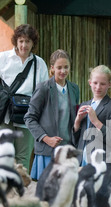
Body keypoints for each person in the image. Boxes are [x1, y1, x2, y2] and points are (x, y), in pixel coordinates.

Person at [0, 24, 49, 172]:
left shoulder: (40, 64)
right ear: (16, 41)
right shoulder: (2, 58)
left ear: (33, 43)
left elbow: (43, 95)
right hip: (3, 116)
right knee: (2, 157)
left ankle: (20, 191)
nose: (24, 45)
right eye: (21, 41)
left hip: (26, 118)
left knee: (23, 158)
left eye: (27, 41)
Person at [24, 49, 80, 180]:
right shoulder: (43, 88)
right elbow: (29, 118)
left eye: (66, 67)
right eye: (59, 67)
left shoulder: (74, 89)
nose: (63, 71)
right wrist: (46, 139)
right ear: (52, 68)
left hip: (67, 150)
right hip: (47, 151)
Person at [72, 65, 111, 165]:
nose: (98, 87)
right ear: (90, 83)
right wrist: (77, 121)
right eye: (95, 83)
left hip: (102, 162)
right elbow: (75, 140)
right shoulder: (84, 104)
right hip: (81, 160)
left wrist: (96, 122)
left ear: (109, 84)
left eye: (103, 84)